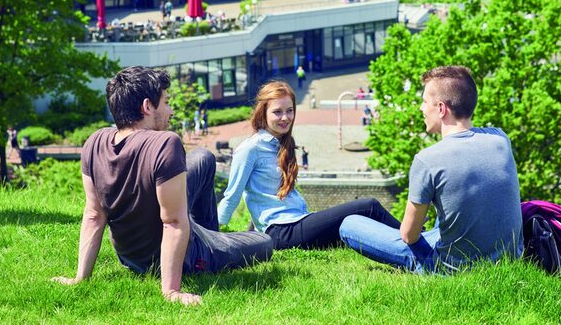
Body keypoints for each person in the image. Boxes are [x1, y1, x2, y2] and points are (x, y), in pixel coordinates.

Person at [53, 66, 272, 305]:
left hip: (130, 256)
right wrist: (171, 291)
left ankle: (210, 235)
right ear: (147, 107)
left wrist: (80, 278)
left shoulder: (95, 141)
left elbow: (94, 215)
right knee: (265, 242)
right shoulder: (165, 143)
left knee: (203, 158)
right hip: (173, 256)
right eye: (166, 102)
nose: (171, 110)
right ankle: (206, 253)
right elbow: (173, 222)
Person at [340, 65, 523, 273]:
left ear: (442, 109)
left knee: (350, 224)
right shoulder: (500, 138)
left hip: (451, 268)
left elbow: (409, 236)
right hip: (508, 260)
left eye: (425, 102)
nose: (421, 108)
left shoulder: (428, 160)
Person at [217, 80, 400, 250]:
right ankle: (419, 241)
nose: (285, 117)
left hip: (299, 220)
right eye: (277, 112)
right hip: (282, 231)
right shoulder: (250, 149)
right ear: (263, 113)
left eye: (289, 110)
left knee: (356, 226)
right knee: (369, 206)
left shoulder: (284, 143)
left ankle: (405, 249)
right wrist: (213, 234)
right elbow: (232, 195)